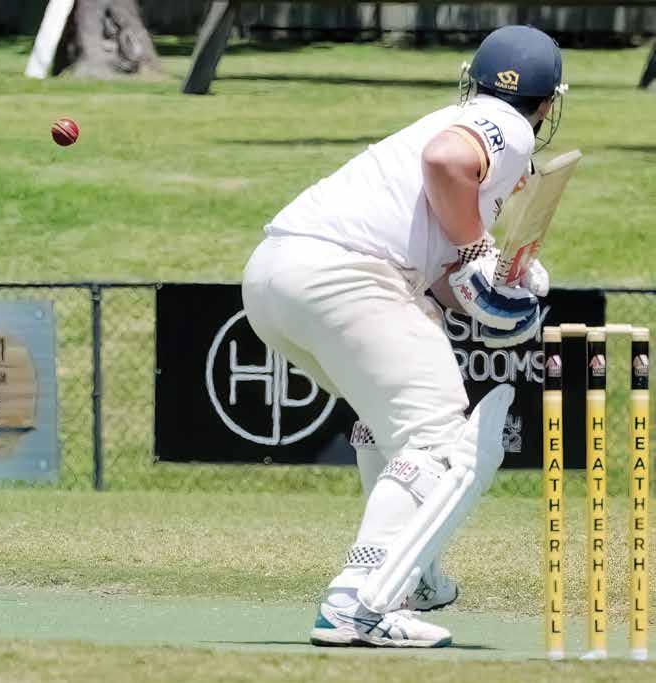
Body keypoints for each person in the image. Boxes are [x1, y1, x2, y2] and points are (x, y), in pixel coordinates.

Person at [241, 25, 565, 647]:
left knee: (393, 427)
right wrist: (480, 249)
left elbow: (443, 281)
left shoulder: (459, 136)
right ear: (548, 103)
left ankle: (411, 575)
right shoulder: (507, 127)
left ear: (473, 77)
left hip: (274, 277)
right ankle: (359, 601)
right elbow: (446, 160)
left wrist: (504, 293)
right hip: (346, 274)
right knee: (441, 441)